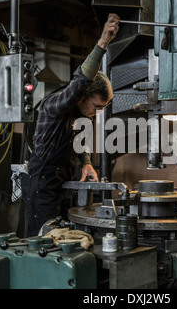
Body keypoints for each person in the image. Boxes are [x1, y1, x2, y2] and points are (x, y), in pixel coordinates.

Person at [22, 13, 120, 237]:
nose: (98, 113)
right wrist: (103, 42)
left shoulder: (79, 114)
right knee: (43, 241)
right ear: (82, 96)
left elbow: (80, 138)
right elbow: (80, 83)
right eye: (96, 106)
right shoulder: (55, 105)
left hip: (61, 184)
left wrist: (86, 162)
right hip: (42, 187)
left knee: (64, 239)